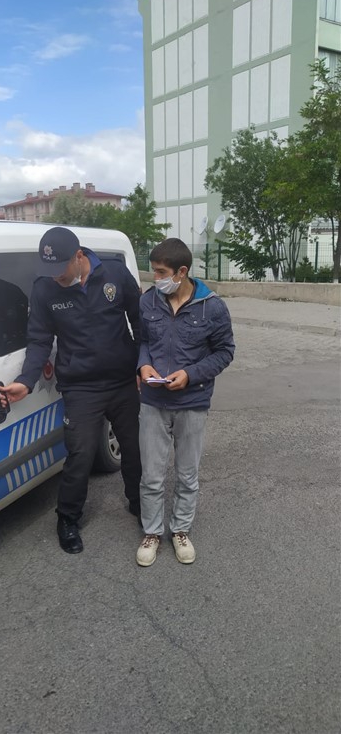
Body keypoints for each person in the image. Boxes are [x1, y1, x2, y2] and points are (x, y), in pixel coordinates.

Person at [0, 227, 142, 554]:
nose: (55, 277)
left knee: (134, 448)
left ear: (79, 256)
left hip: (122, 381)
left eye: (60, 269)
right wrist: (26, 380)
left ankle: (138, 502)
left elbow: (140, 322)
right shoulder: (44, 289)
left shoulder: (114, 274)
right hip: (81, 387)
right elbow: (39, 341)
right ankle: (67, 518)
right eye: (49, 270)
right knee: (80, 454)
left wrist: (141, 365)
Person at [136, 238, 235, 567]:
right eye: (153, 271)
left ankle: (180, 530)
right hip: (153, 400)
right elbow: (143, 341)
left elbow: (225, 352)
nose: (155, 278)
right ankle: (152, 532)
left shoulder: (212, 307)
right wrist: (143, 365)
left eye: (161, 272)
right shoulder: (148, 301)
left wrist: (190, 375)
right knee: (151, 475)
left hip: (192, 402)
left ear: (181, 272)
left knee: (187, 474)